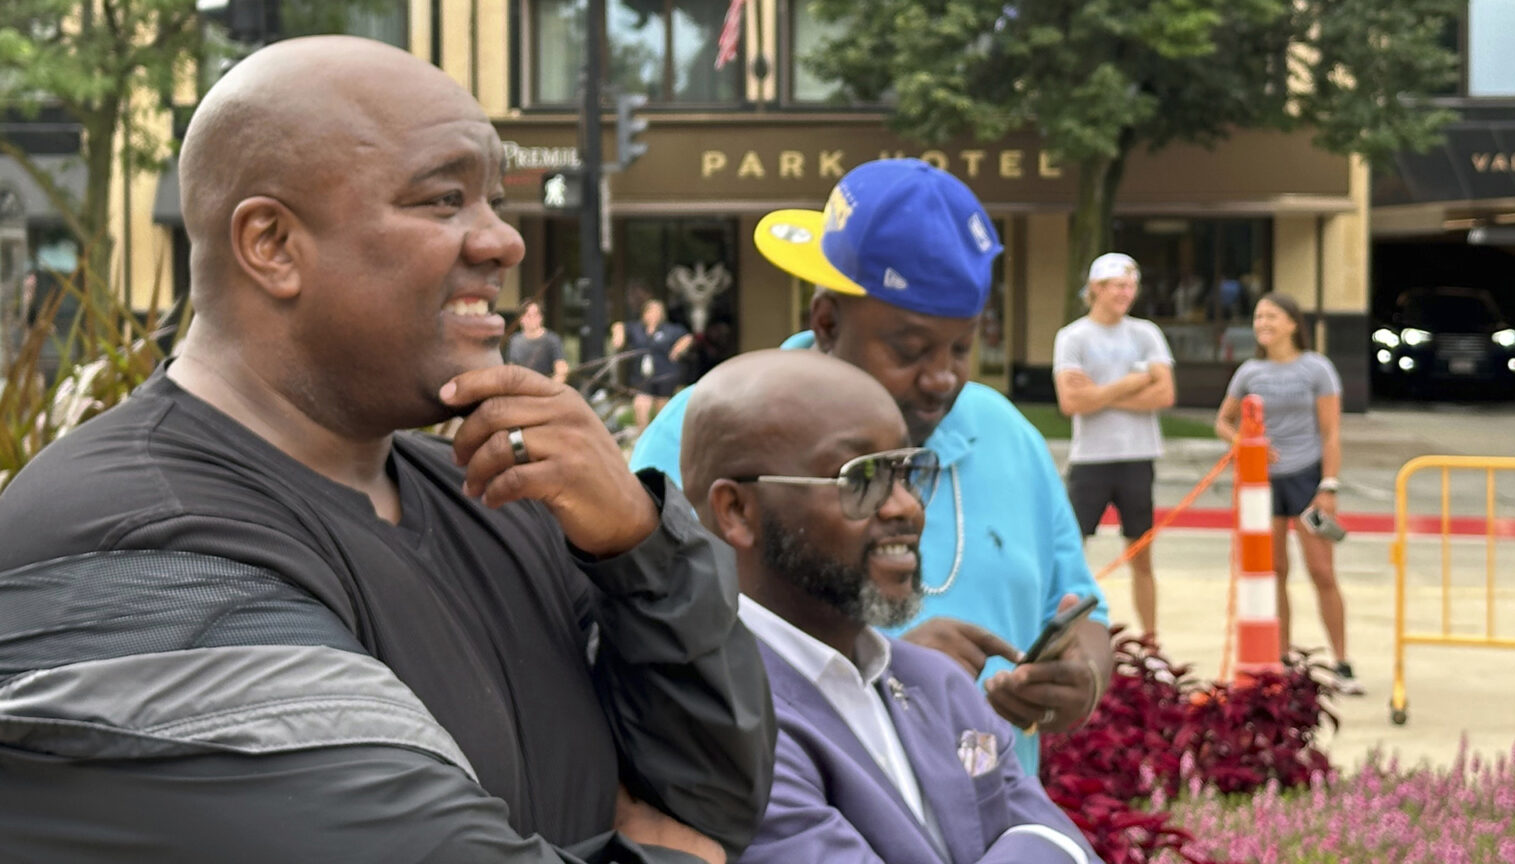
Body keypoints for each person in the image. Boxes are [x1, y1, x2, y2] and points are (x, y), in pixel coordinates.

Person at [0, 36, 773, 862]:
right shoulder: (127, 543)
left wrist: (637, 547)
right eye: (443, 200)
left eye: (493, 202)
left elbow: (718, 802)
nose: (503, 243)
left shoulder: (504, 497)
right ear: (272, 244)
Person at [631, 158, 1113, 776]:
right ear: (827, 321)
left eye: (963, 347)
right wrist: (877, 675)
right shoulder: (703, 431)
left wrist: (1080, 681)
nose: (942, 378)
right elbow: (648, 648)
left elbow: (1084, 615)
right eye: (909, 349)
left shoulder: (1009, 435)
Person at [680, 349, 1102, 864]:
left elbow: (1065, 843)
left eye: (907, 472)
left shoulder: (937, 682)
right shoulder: (715, 719)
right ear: (737, 511)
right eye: (862, 479)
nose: (906, 507)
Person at [1214, 291, 1362, 695]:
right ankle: (1279, 661)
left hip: (1306, 477)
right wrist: (1245, 444)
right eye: (1259, 317)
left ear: (1293, 323)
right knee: (1274, 572)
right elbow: (1223, 422)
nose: (1263, 324)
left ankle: (1342, 663)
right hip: (1263, 484)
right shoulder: (1249, 372)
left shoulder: (1316, 369)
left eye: (1272, 317)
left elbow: (1331, 432)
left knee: (1321, 571)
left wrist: (1328, 485)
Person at [1053, 252, 1175, 643]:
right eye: (1118, 286)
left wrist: (1099, 395)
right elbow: (1071, 403)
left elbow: (1165, 392)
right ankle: (1065, 631)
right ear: (1096, 289)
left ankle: (1151, 639)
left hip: (1138, 457)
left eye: (1131, 286)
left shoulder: (1145, 334)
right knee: (1072, 552)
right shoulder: (1073, 337)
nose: (1126, 293)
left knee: (1142, 554)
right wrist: (1132, 382)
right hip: (1090, 459)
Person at [611, 297, 692, 431]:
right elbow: (618, 325)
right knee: (640, 405)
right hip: (642, 375)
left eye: (656, 312)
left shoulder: (670, 330)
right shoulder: (636, 328)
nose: (653, 315)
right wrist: (618, 335)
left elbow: (687, 337)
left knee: (662, 409)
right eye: (650, 312)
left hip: (664, 374)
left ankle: (661, 437)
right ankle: (643, 436)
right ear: (644, 313)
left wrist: (678, 349)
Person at [505, 298, 569, 384]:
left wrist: (551, 388)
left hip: (545, 387)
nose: (532, 319)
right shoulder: (515, 341)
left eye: (536, 315)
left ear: (541, 317)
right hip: (521, 388)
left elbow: (561, 370)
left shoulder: (552, 340)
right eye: (528, 315)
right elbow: (511, 369)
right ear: (521, 319)